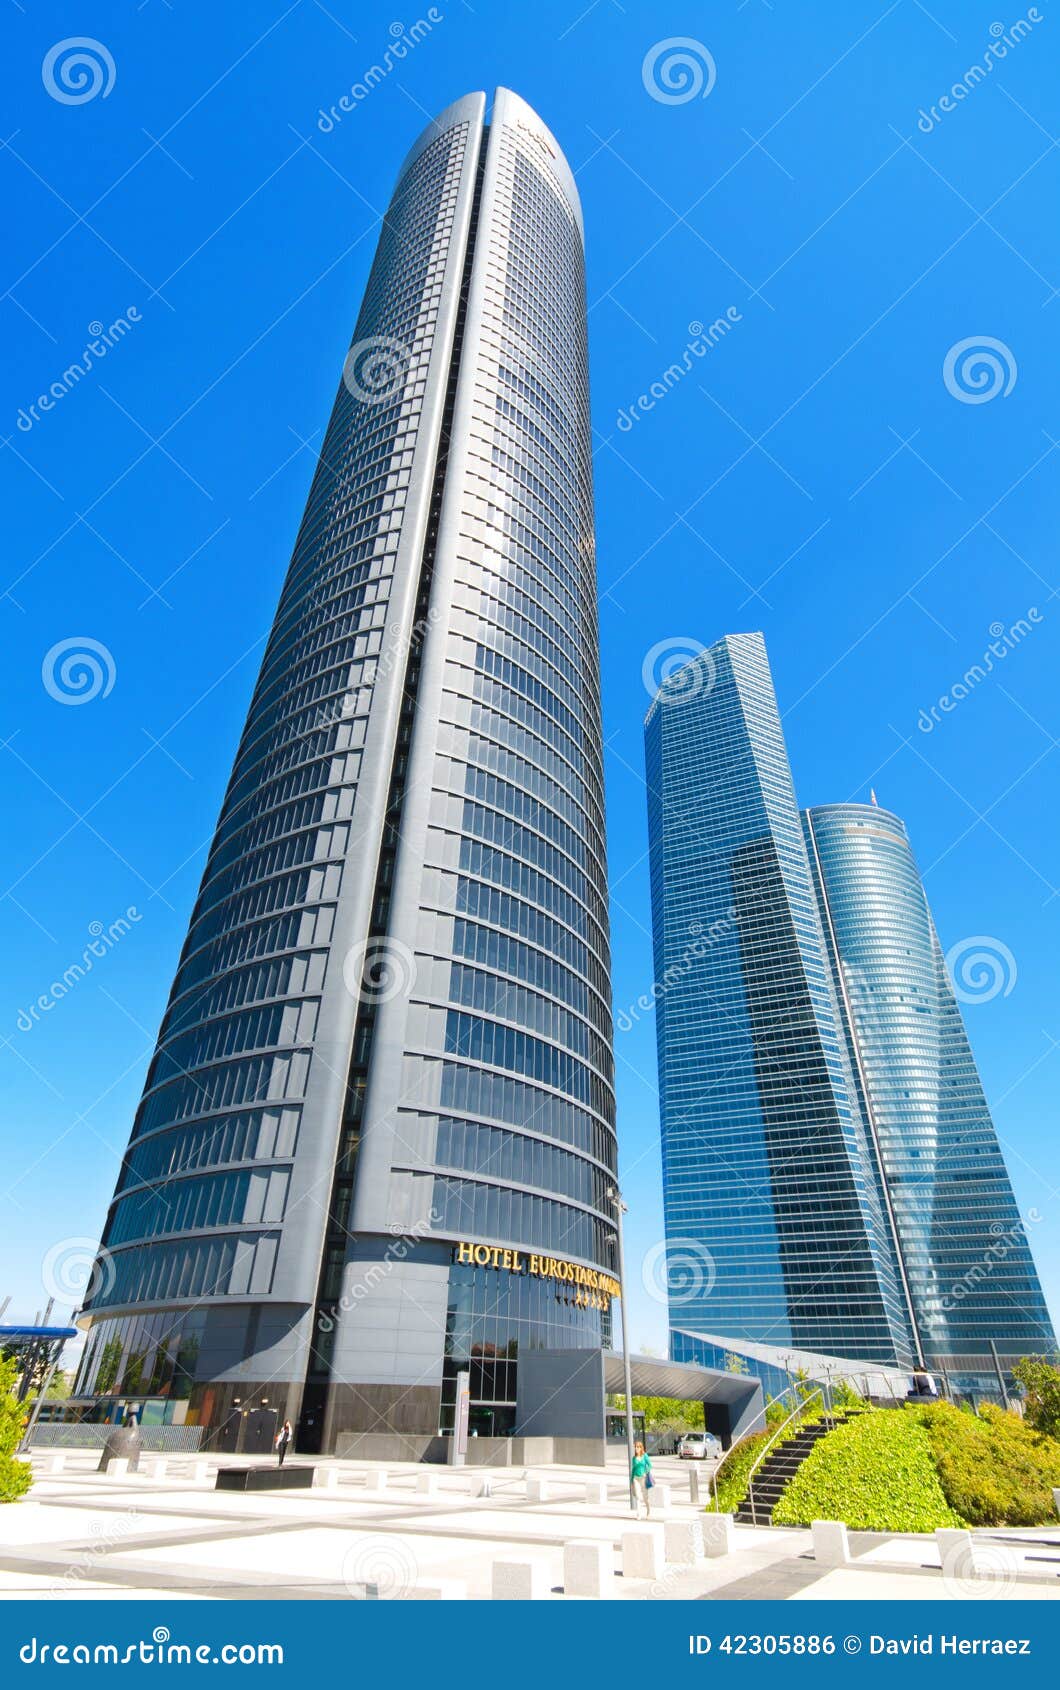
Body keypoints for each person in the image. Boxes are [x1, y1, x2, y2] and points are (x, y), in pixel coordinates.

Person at [631, 1440, 653, 1517]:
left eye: (637, 1447)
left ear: (641, 1448)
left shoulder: (645, 1456)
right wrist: (631, 1481)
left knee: (645, 1498)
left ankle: (648, 1511)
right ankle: (639, 1514)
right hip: (636, 1478)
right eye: (635, 1447)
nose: (636, 1449)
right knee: (638, 1496)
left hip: (643, 1478)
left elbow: (650, 1465)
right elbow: (633, 1469)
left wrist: (645, 1472)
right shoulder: (634, 1458)